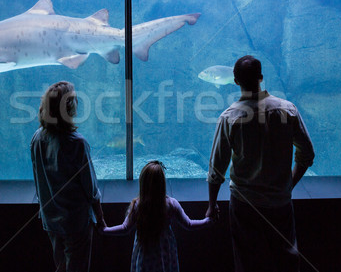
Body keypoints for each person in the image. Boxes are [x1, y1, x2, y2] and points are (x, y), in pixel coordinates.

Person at [206, 55, 315, 272]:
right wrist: (289, 184)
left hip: (244, 203)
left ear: (236, 81)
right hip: (280, 202)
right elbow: (307, 154)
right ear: (261, 78)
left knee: (247, 262)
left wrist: (212, 204)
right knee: (287, 259)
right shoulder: (287, 110)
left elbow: (217, 168)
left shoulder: (229, 117)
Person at [30, 81, 105, 272]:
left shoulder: (37, 138)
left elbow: (38, 178)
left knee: (61, 266)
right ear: (69, 108)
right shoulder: (77, 143)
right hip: (76, 221)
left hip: (50, 218)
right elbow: (91, 189)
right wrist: (100, 218)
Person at [101, 161, 213, 272]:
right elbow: (189, 224)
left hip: (145, 254)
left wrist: (105, 230)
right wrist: (208, 220)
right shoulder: (171, 204)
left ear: (143, 183)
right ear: (162, 183)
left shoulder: (137, 205)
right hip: (164, 251)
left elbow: (124, 228)